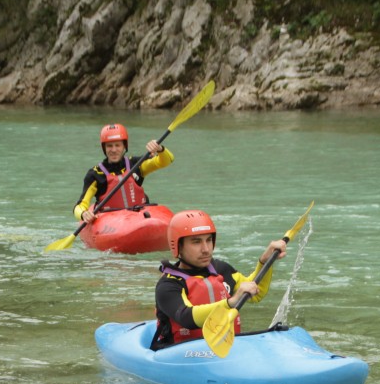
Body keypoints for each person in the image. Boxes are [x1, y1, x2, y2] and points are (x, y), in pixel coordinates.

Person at [151, 210, 287, 350]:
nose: (206, 249)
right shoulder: (169, 284)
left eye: (209, 240)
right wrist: (231, 302)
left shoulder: (220, 269)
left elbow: (256, 292)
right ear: (178, 246)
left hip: (224, 350)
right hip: (182, 352)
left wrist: (265, 263)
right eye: (196, 242)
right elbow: (186, 317)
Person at [72, 123, 174, 223]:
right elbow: (79, 206)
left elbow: (167, 161)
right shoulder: (95, 174)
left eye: (118, 145)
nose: (114, 150)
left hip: (140, 216)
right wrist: (83, 213)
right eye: (109, 146)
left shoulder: (136, 164)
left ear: (124, 146)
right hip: (111, 222)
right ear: (104, 148)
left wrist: (160, 149)